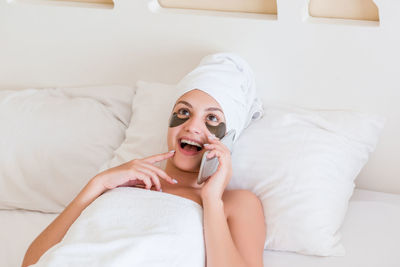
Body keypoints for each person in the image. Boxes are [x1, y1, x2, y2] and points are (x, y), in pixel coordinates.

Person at [22, 53, 266, 267]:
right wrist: (97, 184)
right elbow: (32, 261)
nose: (192, 126)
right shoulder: (119, 184)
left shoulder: (236, 203)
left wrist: (211, 200)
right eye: (183, 112)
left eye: (212, 119)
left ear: (228, 139)